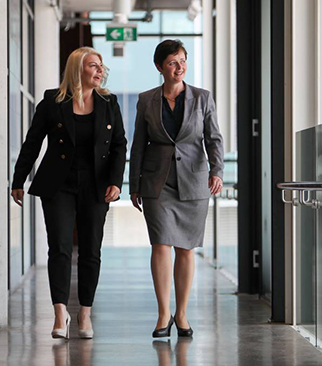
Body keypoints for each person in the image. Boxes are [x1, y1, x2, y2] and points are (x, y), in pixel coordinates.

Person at [11, 47, 127, 340]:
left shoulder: (108, 101)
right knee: (60, 248)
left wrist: (116, 181)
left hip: (96, 184)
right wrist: (18, 180)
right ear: (77, 69)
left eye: (101, 66)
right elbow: (32, 143)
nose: (99, 71)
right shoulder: (53, 100)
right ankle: (60, 313)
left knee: (90, 249)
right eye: (93, 66)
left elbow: (119, 145)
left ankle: (84, 313)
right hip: (58, 184)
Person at [129, 39, 224, 338]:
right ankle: (163, 315)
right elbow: (138, 144)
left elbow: (214, 139)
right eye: (172, 62)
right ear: (160, 67)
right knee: (160, 245)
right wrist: (134, 184)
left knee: (185, 249)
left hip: (194, 180)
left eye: (182, 60)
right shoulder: (146, 100)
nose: (179, 66)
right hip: (157, 182)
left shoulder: (202, 98)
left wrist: (217, 171)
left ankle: (181, 315)